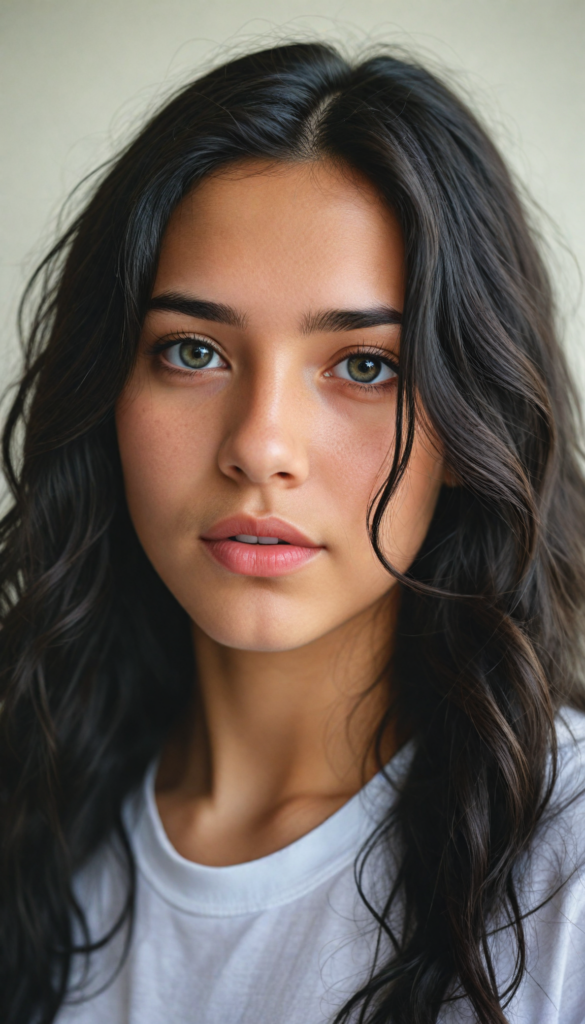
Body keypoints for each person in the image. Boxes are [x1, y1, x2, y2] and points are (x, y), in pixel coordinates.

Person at [1, 40, 585, 1024]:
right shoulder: (29, 809)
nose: (261, 448)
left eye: (363, 366)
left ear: (471, 414)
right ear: (105, 389)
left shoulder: (563, 863)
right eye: (192, 351)